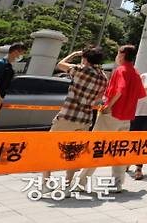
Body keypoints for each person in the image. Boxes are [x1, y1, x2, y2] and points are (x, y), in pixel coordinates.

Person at [76, 44, 146, 192]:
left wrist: (109, 106)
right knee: (119, 151)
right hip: (126, 117)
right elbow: (140, 94)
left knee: (96, 148)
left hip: (112, 114)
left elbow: (119, 91)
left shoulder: (120, 70)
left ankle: (81, 182)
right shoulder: (135, 73)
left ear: (121, 55)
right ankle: (117, 184)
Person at [42, 47, 108, 191]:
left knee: (50, 148)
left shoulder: (79, 70)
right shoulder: (103, 77)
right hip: (85, 118)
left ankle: (46, 183)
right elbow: (98, 98)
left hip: (68, 115)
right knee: (74, 153)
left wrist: (74, 54)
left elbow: (60, 64)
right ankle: (67, 185)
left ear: (85, 58)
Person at [0, 42, 27, 110]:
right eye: (22, 53)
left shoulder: (10, 67)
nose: (22, 56)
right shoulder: (0, 63)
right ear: (15, 52)